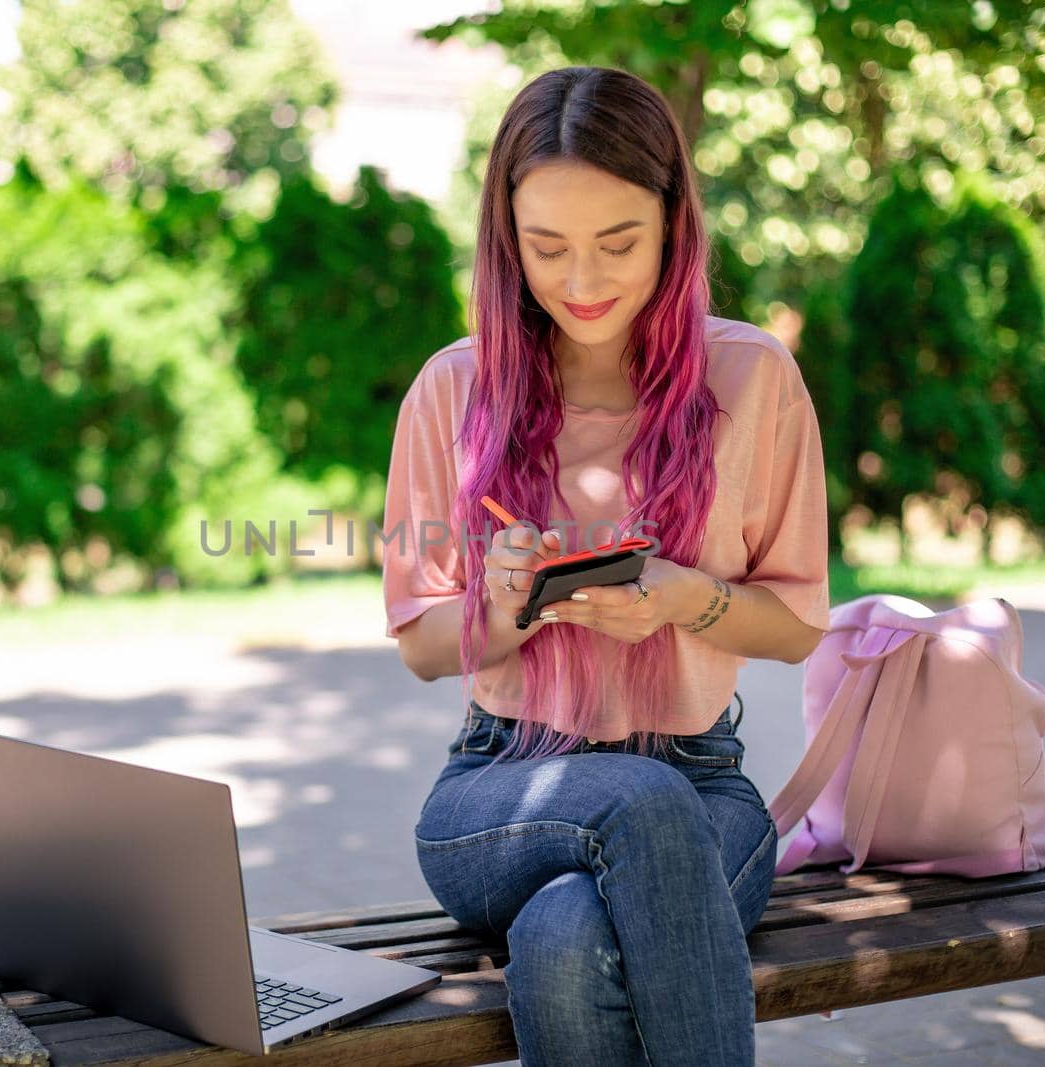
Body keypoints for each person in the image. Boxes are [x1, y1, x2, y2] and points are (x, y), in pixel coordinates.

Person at [380, 66, 831, 1066]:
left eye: (617, 243)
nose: (581, 281)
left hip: (697, 780)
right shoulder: (452, 391)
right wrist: (508, 607)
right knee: (633, 803)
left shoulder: (754, 379)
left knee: (562, 936)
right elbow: (420, 642)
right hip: (499, 779)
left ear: (674, 221)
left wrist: (686, 599)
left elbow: (797, 624)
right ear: (508, 241)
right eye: (546, 248)